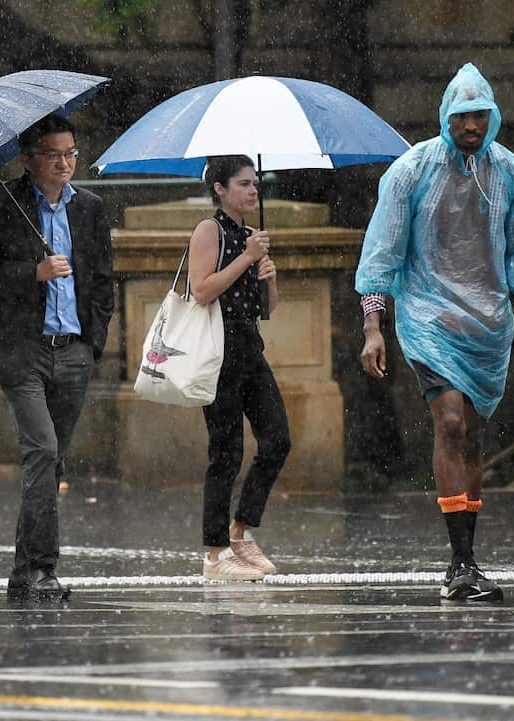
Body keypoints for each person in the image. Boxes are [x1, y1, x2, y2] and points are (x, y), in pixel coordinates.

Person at [356, 63, 514, 603]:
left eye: (479, 114)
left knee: (473, 435)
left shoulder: (513, 174)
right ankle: (461, 563)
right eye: (461, 114)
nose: (470, 124)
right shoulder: (410, 171)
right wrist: (373, 325)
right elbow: (381, 252)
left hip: (487, 326)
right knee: (450, 423)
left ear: (493, 116)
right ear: (445, 117)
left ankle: (466, 559)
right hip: (428, 318)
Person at [0, 114, 115, 601]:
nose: (66, 162)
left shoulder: (90, 209)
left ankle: (23, 570)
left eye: (72, 153)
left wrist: (93, 345)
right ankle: (44, 568)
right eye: (54, 154)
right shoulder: (0, 205)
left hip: (73, 352)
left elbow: (101, 282)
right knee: (43, 452)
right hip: (23, 352)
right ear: (28, 161)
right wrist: (33, 272)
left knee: (52, 463)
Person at [186, 155, 290, 583]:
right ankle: (214, 555)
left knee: (278, 440)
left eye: (256, 184)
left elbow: (267, 308)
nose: (253, 191)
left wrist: (269, 276)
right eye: (244, 184)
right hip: (218, 350)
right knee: (225, 451)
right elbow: (202, 290)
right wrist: (247, 259)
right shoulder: (210, 230)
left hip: (250, 348)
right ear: (220, 189)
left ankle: (240, 529)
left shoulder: (251, 237)